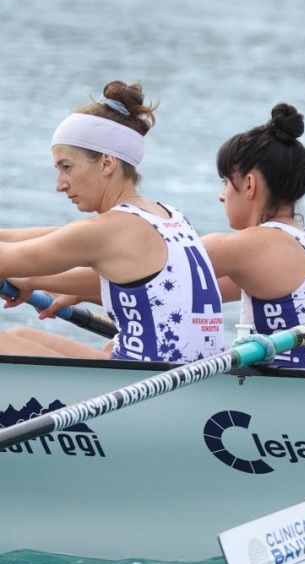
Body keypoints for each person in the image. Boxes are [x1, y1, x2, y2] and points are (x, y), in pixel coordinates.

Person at [0, 81, 224, 361]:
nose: (60, 184)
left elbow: (9, 257)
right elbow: (50, 237)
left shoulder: (107, 231)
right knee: (22, 336)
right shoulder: (166, 215)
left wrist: (32, 277)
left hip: (147, 389)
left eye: (66, 167)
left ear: (107, 163)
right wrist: (36, 281)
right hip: (180, 376)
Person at [203, 104, 305, 371]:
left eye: (225, 182)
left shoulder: (257, 245)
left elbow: (167, 258)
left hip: (294, 399)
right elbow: (195, 292)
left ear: (250, 185)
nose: (222, 195)